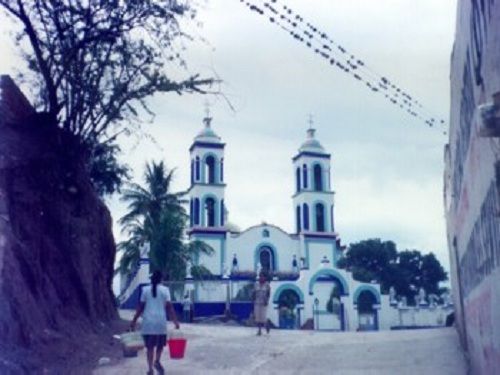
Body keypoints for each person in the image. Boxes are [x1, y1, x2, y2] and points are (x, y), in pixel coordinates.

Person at [130, 271, 180, 375]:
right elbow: (169, 307)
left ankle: (150, 369)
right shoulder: (165, 290)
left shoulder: (145, 290)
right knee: (160, 345)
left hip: (148, 323)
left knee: (150, 347)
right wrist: (175, 322)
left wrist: (134, 320)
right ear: (161, 278)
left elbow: (140, 308)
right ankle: (157, 360)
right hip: (160, 322)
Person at [253, 271, 271, 336]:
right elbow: (254, 293)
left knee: (263, 317)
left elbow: (268, 293)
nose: (261, 278)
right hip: (257, 302)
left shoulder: (267, 285)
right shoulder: (256, 284)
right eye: (260, 276)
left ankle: (267, 325)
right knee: (257, 317)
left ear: (265, 278)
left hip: (264, 302)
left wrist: (267, 300)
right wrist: (253, 300)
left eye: (262, 276)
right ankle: (259, 330)